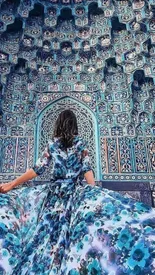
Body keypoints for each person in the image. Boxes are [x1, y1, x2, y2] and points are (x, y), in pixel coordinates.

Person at [0, 110, 155, 275]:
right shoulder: (80, 144)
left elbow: (37, 169)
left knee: (47, 236)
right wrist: (95, 193)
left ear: (58, 124)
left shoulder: (52, 144)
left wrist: (11, 184)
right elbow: (87, 170)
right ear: (74, 125)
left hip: (54, 196)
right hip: (74, 193)